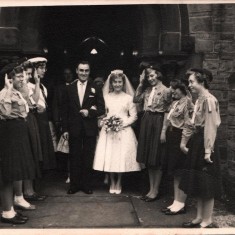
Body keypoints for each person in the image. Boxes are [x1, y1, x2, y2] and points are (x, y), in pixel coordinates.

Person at [179, 68, 222, 228]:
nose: (189, 85)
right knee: (197, 181)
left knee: (207, 183)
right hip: (198, 142)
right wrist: (184, 142)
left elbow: (211, 127)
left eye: (192, 82)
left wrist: (207, 150)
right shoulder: (198, 100)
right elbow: (191, 123)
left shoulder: (209, 100)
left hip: (206, 143)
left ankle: (207, 219)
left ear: (201, 82)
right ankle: (198, 217)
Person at [0, 65, 39, 224]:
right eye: (19, 77)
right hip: (10, 135)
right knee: (8, 174)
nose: (23, 79)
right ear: (9, 79)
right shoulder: (4, 93)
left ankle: (10, 210)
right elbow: (5, 112)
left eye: (23, 76)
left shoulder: (18, 92)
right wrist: (8, 89)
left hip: (18, 133)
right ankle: (7, 212)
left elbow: (32, 104)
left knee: (14, 173)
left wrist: (35, 83)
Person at [93, 70, 141, 194]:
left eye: (120, 82)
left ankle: (118, 181)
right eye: (115, 82)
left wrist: (121, 124)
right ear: (111, 83)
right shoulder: (106, 97)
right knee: (109, 156)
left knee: (120, 157)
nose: (118, 84)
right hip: (109, 131)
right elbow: (103, 113)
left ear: (123, 83)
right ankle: (112, 180)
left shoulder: (129, 98)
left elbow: (134, 116)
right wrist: (107, 122)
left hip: (123, 131)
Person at [61, 61, 105, 195]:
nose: (84, 73)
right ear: (76, 70)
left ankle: (86, 185)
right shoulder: (69, 88)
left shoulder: (95, 87)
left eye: (86, 70)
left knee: (87, 157)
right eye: (81, 70)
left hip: (89, 127)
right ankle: (74, 185)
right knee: (74, 156)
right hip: (73, 127)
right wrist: (65, 129)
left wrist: (90, 112)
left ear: (89, 71)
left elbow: (102, 108)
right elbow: (65, 111)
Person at [133, 64, 171, 202]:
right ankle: (151, 189)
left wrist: (163, 131)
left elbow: (168, 111)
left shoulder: (167, 90)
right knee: (149, 158)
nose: (150, 78)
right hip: (147, 120)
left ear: (159, 75)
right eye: (148, 76)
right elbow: (136, 99)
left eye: (152, 75)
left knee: (157, 157)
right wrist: (140, 82)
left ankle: (156, 190)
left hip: (158, 120)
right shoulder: (147, 89)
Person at [160, 82, 194, 215]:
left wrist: (183, 143)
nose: (172, 92)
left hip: (180, 137)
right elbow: (168, 119)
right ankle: (176, 201)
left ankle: (181, 204)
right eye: (172, 90)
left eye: (175, 90)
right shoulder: (175, 103)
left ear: (183, 90)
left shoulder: (188, 103)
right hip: (171, 136)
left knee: (180, 171)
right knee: (175, 172)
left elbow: (189, 124)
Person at [19, 61, 47, 202]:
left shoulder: (27, 86)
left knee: (32, 155)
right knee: (27, 155)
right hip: (25, 121)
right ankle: (26, 191)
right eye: (27, 73)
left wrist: (36, 83)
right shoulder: (22, 87)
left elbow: (34, 102)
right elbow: (34, 103)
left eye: (30, 74)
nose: (29, 76)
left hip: (30, 121)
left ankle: (29, 190)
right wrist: (36, 83)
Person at [27, 57, 56, 170]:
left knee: (44, 148)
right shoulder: (28, 86)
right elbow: (34, 100)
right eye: (41, 68)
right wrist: (37, 82)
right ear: (34, 70)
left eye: (44, 68)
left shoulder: (43, 87)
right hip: (35, 120)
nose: (44, 71)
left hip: (43, 120)